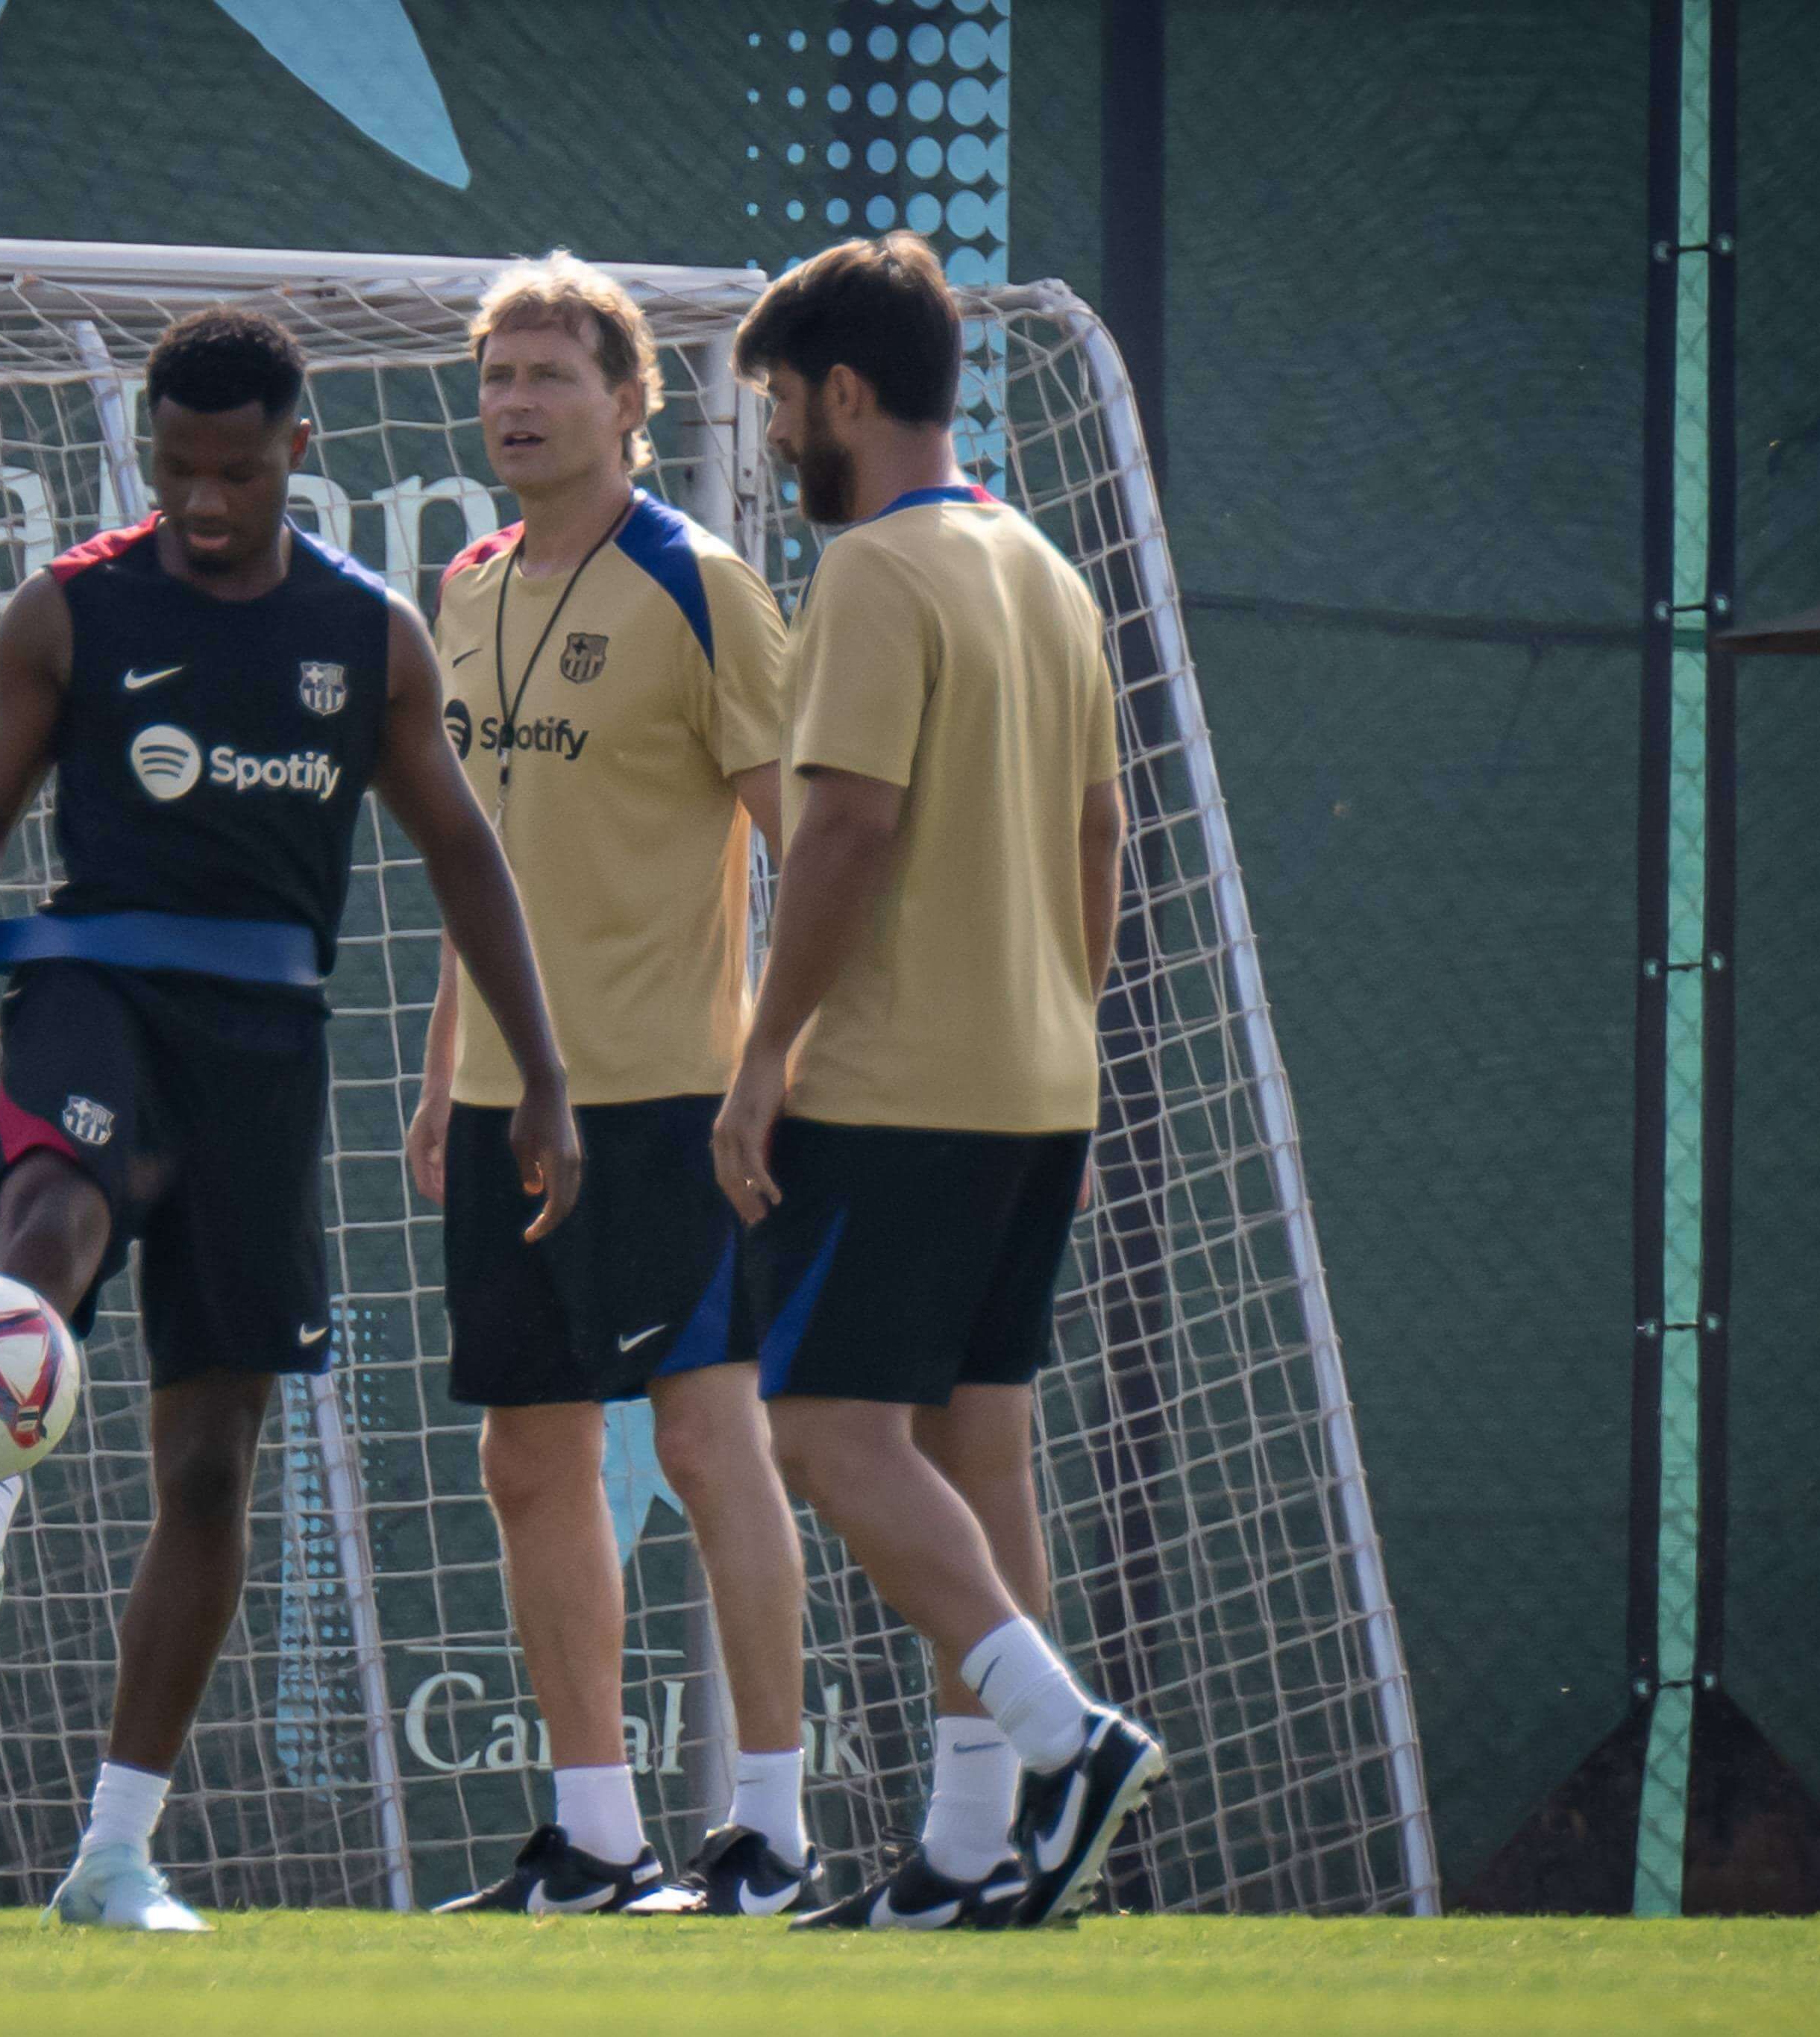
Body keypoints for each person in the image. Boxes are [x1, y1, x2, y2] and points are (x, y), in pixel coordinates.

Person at [0, 307, 580, 1933]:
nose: (199, 499)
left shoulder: (369, 635)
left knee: (207, 1467)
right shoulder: (71, 610)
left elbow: (465, 855)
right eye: (174, 467)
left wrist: (541, 1072)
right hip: (95, 989)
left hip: (266, 1046)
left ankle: (113, 1857)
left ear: (293, 455)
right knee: (56, 1212)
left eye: (234, 472)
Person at [709, 234, 1162, 1933]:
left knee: (823, 1431)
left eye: (778, 404)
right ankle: (974, 1857)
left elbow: (842, 828)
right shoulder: (1043, 569)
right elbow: (1101, 834)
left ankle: (1063, 1740)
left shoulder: (876, 572)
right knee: (979, 1454)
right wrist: (1059, 1022)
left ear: (841, 392)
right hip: (1038, 1084)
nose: (774, 439)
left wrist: (762, 1057)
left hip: (894, 1087)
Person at [403, 255, 812, 1917]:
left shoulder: (700, 584)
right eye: (497, 376)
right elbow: (476, 863)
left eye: (551, 375)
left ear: (631, 400)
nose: (515, 404)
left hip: (665, 1103)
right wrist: (445, 1072)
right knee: (525, 1458)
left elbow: (811, 849)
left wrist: (774, 1069)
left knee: (709, 1441)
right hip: (507, 1103)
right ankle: (595, 1840)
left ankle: (771, 1831)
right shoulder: (463, 585)